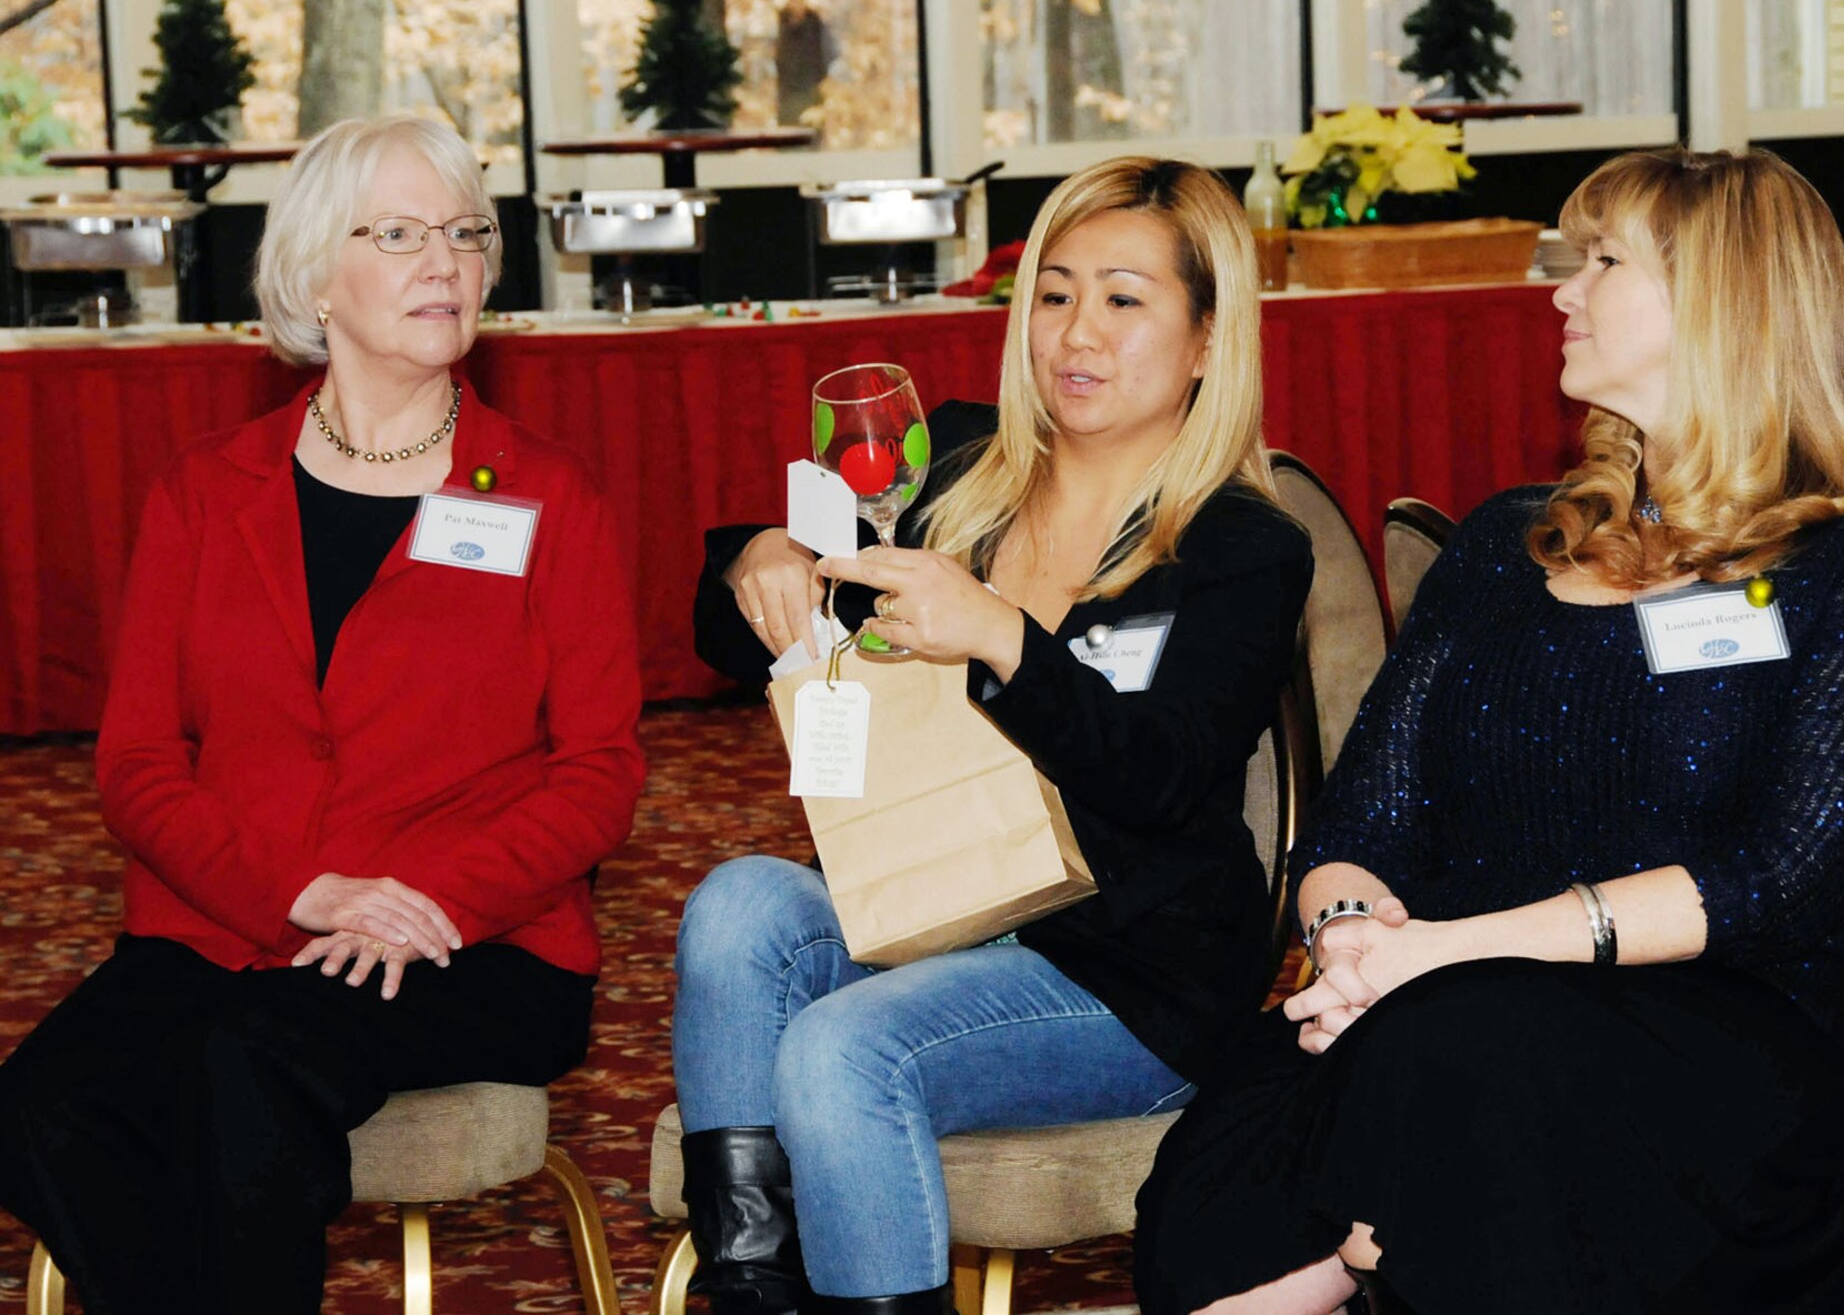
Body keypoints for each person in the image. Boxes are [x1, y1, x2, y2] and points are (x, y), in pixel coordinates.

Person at [1132, 146, 1844, 1315]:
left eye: (1600, 263)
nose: (1560, 292)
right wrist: (1350, 938)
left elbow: (1782, 879)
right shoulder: (1505, 543)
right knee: (1224, 1167)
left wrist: (1439, 955)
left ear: (1721, 298)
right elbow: (1363, 811)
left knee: (1451, 1084)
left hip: (1743, 1022)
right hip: (1446, 999)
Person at [0, 113, 643, 1313]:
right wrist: (298, 890)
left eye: (464, 232)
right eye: (398, 234)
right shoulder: (204, 491)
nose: (443, 263)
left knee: (245, 1065)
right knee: (42, 1105)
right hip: (228, 919)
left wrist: (430, 901)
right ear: (312, 276)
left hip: (474, 941)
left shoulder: (545, 492)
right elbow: (137, 761)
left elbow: (598, 769)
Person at [680, 156, 1314, 1313]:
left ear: (1208, 338)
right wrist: (759, 558)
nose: (1076, 333)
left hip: (1130, 971)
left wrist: (1007, 640)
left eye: (1124, 300)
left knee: (840, 1048)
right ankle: (749, 1282)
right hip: (935, 907)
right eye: (1055, 292)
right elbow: (740, 632)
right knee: (737, 908)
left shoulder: (1240, 546)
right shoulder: (958, 468)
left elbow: (1163, 777)